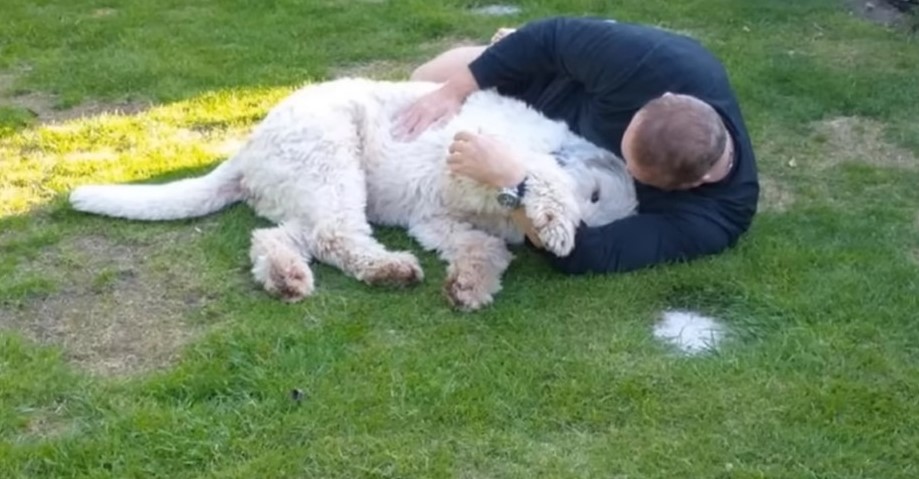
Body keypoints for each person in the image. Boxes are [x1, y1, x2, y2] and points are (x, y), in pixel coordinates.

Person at [392, 16, 760, 275]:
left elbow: (584, 253)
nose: (617, 154)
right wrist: (450, 94)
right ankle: (507, 45)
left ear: (689, 186)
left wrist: (513, 184)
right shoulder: (668, 64)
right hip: (549, 90)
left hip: (554, 156)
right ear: (663, 96)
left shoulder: (715, 218)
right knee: (425, 78)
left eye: (633, 171)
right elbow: (550, 37)